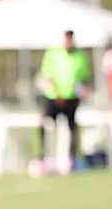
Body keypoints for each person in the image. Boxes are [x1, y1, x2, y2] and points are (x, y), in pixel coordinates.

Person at [38, 30, 92, 169]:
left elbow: (84, 77)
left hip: (71, 98)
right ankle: (44, 156)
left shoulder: (80, 56)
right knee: (46, 124)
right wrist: (57, 94)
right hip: (54, 97)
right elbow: (48, 75)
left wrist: (85, 91)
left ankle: (71, 158)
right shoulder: (53, 54)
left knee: (72, 127)